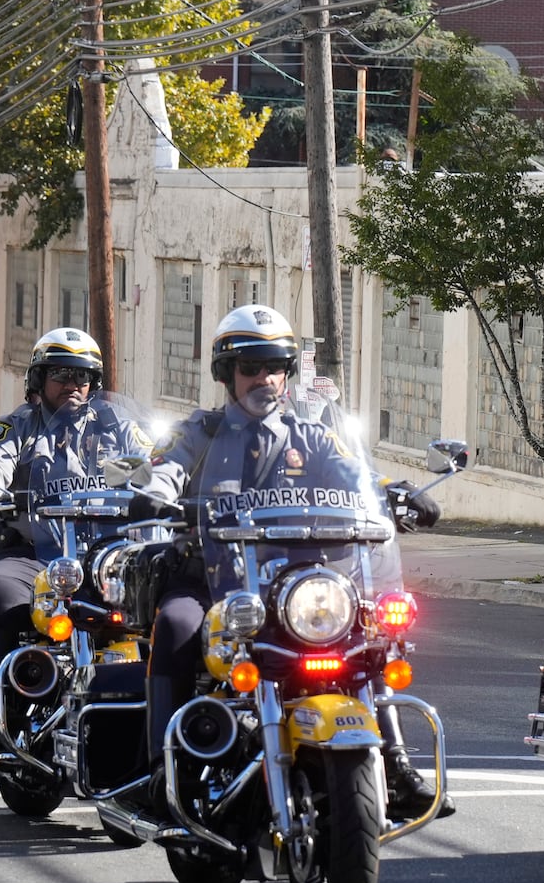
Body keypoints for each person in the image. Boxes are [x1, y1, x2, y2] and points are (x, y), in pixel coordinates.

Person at [136, 304, 449, 820]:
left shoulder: (310, 436)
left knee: (365, 636)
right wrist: (155, 492)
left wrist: (398, 492)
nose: (265, 378)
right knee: (175, 624)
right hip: (214, 581)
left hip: (297, 587)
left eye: (275, 366)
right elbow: (165, 468)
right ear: (226, 374)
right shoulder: (200, 432)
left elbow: (358, 478)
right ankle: (163, 769)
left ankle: (396, 764)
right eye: (251, 367)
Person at [0, 327, 152, 742]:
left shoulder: (115, 425)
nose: (73, 385)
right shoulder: (20, 426)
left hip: (105, 556)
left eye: (82, 377)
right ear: (39, 380)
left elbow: (148, 465)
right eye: (62, 375)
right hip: (35, 553)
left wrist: (158, 488)